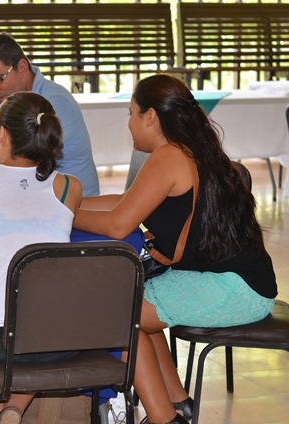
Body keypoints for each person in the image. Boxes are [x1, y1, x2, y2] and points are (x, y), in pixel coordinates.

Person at [73, 74, 277, 424]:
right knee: (133, 307)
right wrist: (73, 201)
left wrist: (63, 213)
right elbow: (128, 202)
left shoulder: (168, 156)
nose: (129, 123)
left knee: (116, 314)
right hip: (248, 286)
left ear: (150, 116)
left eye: (131, 113)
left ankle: (164, 418)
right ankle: (178, 404)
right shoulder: (191, 148)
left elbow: (120, 224)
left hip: (230, 289)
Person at [0, 91, 83, 424]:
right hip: (62, 336)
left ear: (0, 135)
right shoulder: (70, 186)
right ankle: (13, 410)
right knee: (31, 351)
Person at [0, 32, 100, 196]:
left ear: (22, 68)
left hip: (76, 207)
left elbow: (20, 163)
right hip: (26, 195)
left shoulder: (55, 101)